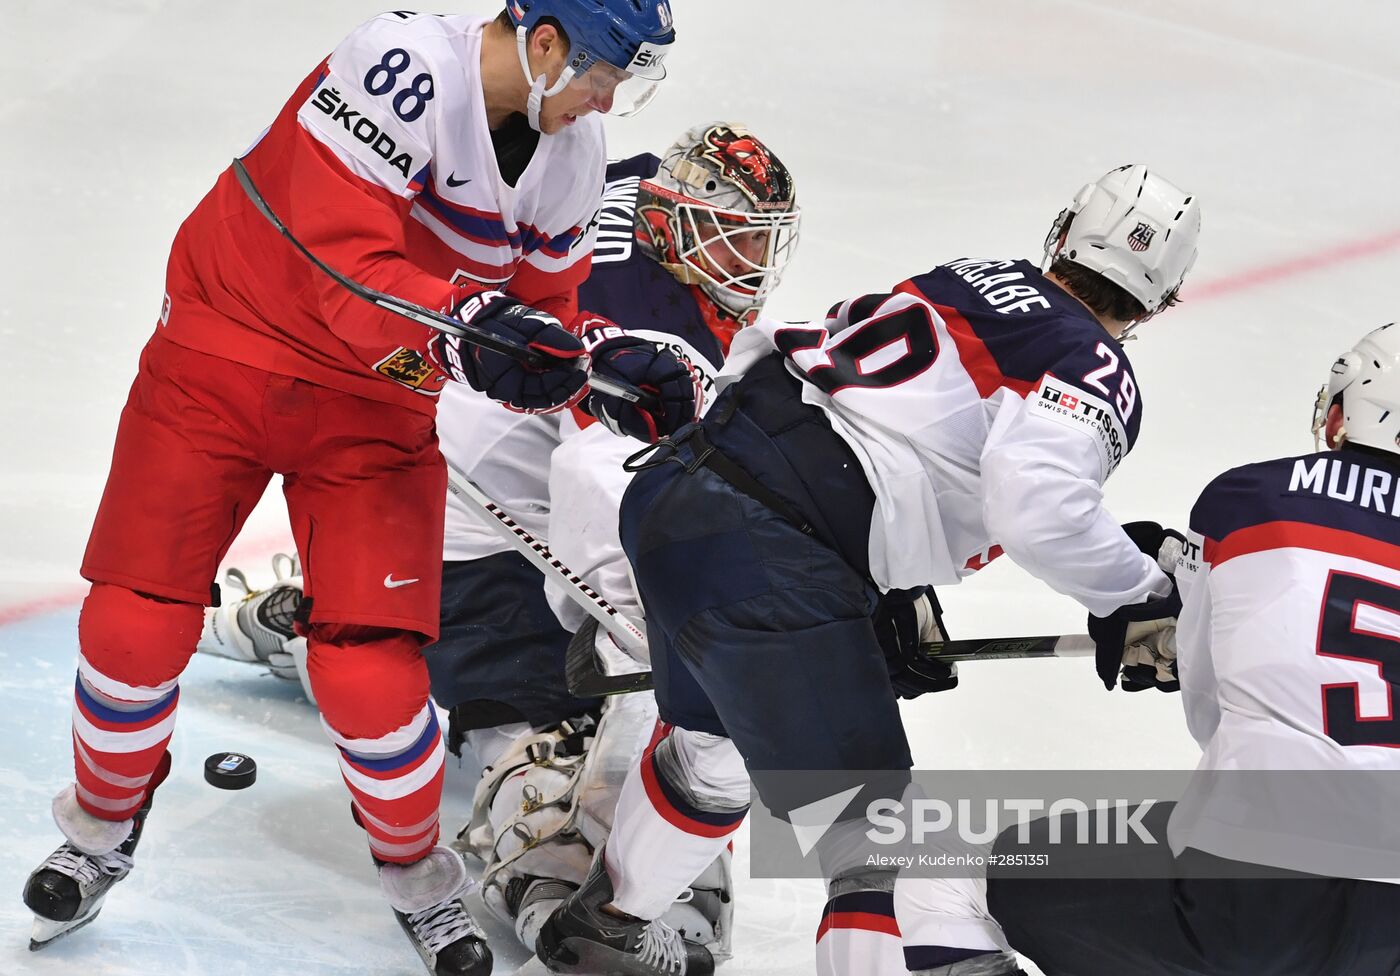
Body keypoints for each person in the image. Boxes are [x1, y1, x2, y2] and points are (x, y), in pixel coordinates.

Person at [21, 6, 700, 976]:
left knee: (373, 675)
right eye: (603, 72)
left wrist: (601, 365)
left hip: (376, 402)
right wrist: (475, 329)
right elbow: (339, 268)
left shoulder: (572, 152)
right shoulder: (402, 62)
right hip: (225, 350)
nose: (609, 101)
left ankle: (420, 878)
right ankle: (98, 829)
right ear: (545, 42)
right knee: (133, 624)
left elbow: (538, 322)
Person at [534, 165, 1202, 976]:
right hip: (776, 555)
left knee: (713, 747)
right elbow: (1039, 506)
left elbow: (870, 420)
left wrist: (881, 585)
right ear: (1162, 303)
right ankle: (614, 921)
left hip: (683, 492)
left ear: (1060, 236)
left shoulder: (962, 279)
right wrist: (1134, 596)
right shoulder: (1090, 362)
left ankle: (607, 926)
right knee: (884, 847)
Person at [898, 324, 1400, 976]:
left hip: (1251, 895)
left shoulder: (1249, 500)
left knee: (946, 879)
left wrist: (1169, 635)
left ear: (1338, 415)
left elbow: (1213, 713)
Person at [432, 121, 800, 975]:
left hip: (453, 484)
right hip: (473, 553)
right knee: (542, 735)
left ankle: (335, 614)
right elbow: (599, 477)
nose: (748, 260)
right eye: (733, 236)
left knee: (621, 706)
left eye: (759, 240)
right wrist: (646, 633)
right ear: (678, 226)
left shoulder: (630, 189)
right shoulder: (655, 329)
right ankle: (554, 890)